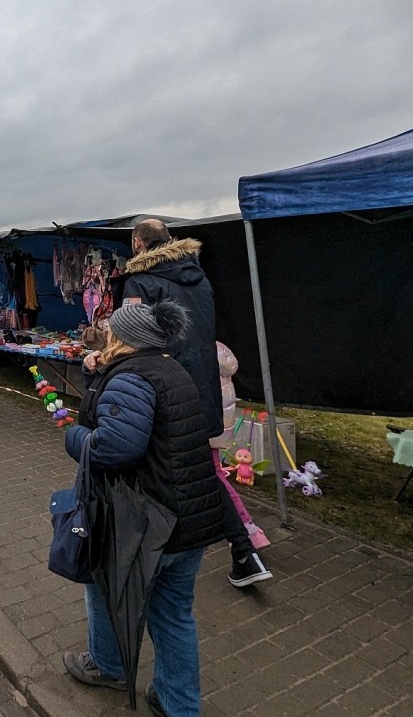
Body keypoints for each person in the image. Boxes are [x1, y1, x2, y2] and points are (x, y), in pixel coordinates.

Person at [62, 301, 223, 717]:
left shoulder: (132, 377)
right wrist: (96, 377)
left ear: (124, 338)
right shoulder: (169, 368)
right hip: (190, 518)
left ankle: (109, 665)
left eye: (111, 330)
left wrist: (76, 438)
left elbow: (115, 448)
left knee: (103, 586)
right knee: (173, 615)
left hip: (150, 523)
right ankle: (178, 705)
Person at [119, 218, 272, 589]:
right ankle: (243, 552)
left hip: (162, 385)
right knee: (200, 467)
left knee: (188, 469)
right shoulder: (198, 276)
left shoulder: (140, 280)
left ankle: (235, 550)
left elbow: (128, 336)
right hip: (202, 385)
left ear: (139, 242)